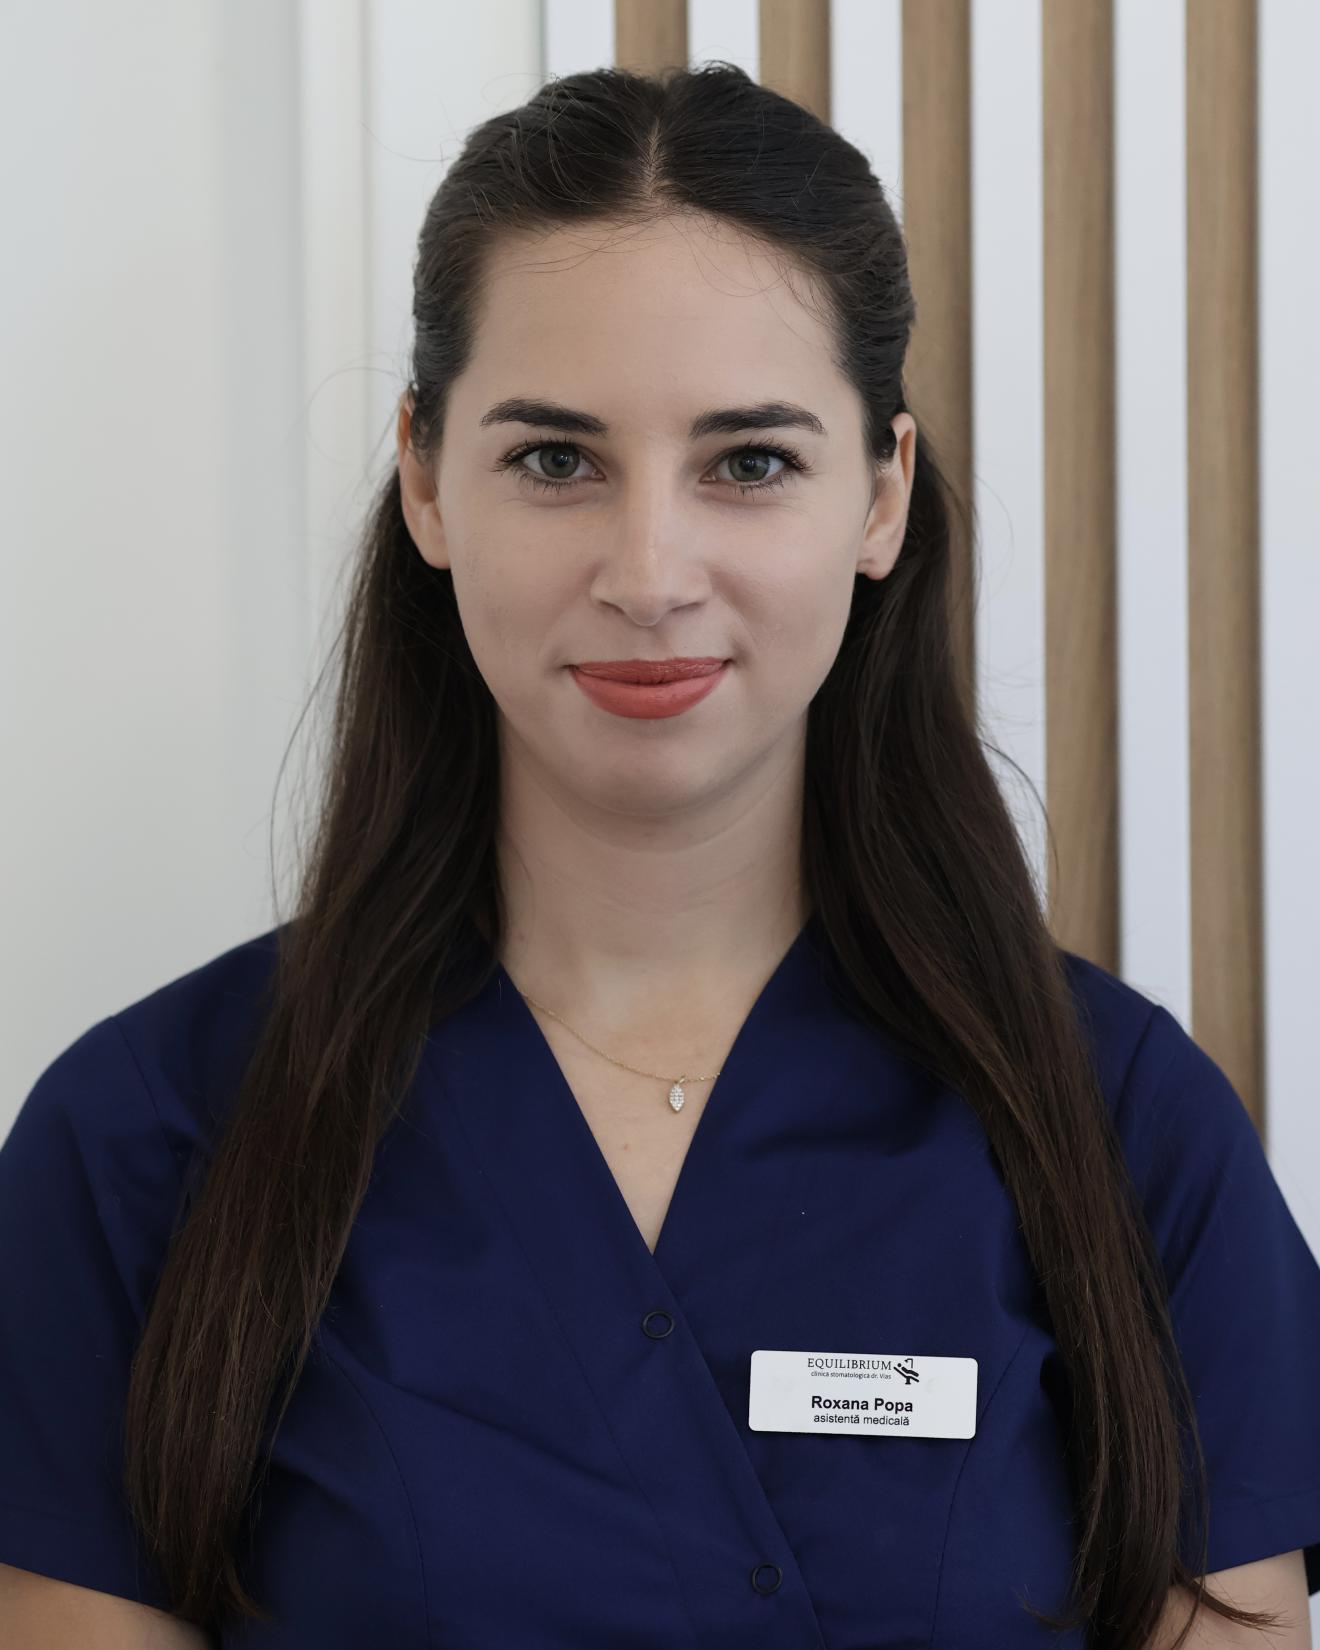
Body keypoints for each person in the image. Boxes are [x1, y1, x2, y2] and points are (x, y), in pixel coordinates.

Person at [2, 61, 1318, 1650]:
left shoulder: (1126, 1136)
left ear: (882, 492)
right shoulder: (139, 1145)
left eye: (749, 462)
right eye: (556, 459)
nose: (649, 571)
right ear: (425, 477)